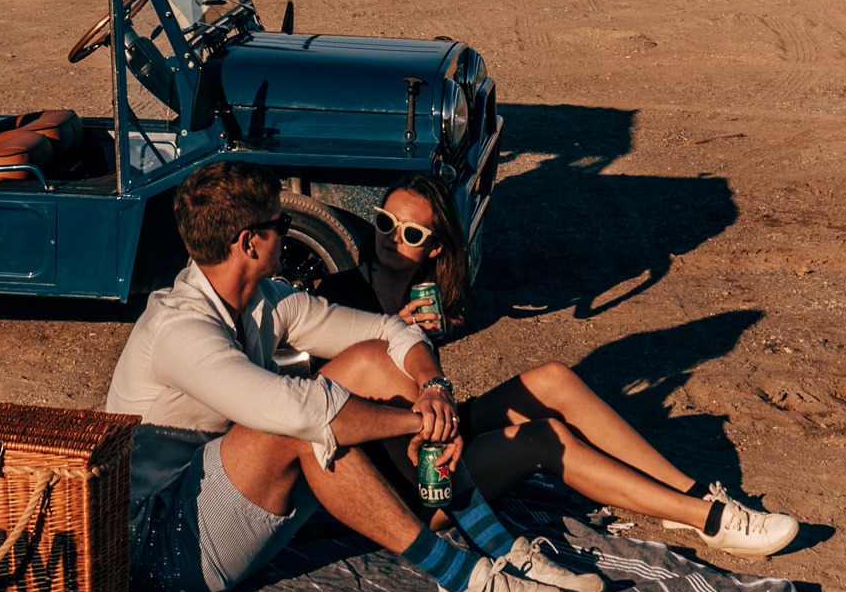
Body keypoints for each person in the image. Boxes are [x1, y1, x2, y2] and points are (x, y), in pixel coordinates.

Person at [105, 160, 573, 592]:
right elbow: (300, 412)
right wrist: (418, 424)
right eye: (280, 224)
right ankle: (463, 583)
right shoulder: (178, 331)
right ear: (250, 242)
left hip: (223, 501)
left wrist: (434, 388)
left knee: (370, 360)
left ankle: (495, 542)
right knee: (303, 426)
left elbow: (389, 331)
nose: (286, 233)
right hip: (164, 545)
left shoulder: (266, 300)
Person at [318, 175, 800, 563]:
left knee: (554, 378)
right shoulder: (336, 297)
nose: (391, 239)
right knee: (547, 437)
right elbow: (328, 403)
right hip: (402, 479)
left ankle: (688, 492)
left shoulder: (424, 300)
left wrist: (430, 339)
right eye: (384, 222)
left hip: (437, 435)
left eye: (411, 233)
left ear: (436, 248)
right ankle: (710, 520)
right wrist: (395, 338)